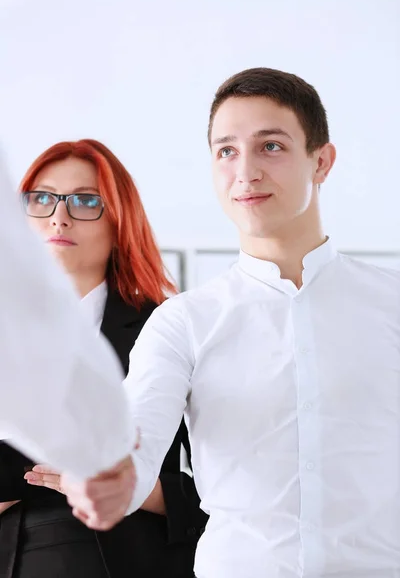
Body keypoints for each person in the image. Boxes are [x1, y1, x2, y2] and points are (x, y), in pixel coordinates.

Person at [64, 68, 400, 578]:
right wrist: (112, 480)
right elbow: (138, 439)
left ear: (322, 162)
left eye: (270, 146)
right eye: (226, 151)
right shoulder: (182, 322)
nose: (245, 171)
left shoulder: (390, 303)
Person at [0, 139, 207, 578]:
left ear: (119, 219)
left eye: (85, 200)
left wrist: (134, 488)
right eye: (42, 198)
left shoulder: (170, 325)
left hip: (136, 557)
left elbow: (225, 490)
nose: (59, 215)